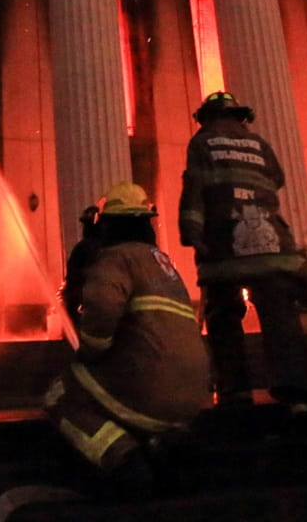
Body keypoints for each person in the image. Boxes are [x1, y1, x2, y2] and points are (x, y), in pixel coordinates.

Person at [45, 182, 208, 495]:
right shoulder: (163, 265)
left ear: (108, 225)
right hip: (192, 395)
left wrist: (92, 348)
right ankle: (161, 443)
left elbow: (102, 306)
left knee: (61, 395)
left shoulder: (115, 259)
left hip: (149, 388)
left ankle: (124, 460)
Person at [180, 90, 307, 411]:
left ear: (207, 119)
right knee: (280, 316)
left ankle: (235, 390)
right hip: (273, 246)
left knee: (223, 315)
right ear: (240, 117)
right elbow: (277, 180)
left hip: (224, 246)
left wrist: (191, 232)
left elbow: (195, 192)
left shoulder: (202, 143)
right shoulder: (260, 144)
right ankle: (295, 392)